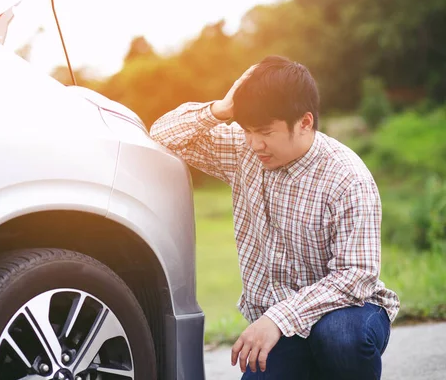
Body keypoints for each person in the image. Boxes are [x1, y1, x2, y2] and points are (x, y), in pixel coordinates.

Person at [149, 55, 400, 380]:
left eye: (265, 132)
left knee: (339, 337)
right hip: (283, 327)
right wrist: (222, 109)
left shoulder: (348, 179)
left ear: (305, 122)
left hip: (348, 313)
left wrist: (278, 318)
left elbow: (356, 276)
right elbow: (162, 135)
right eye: (248, 130)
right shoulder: (243, 151)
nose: (255, 143)